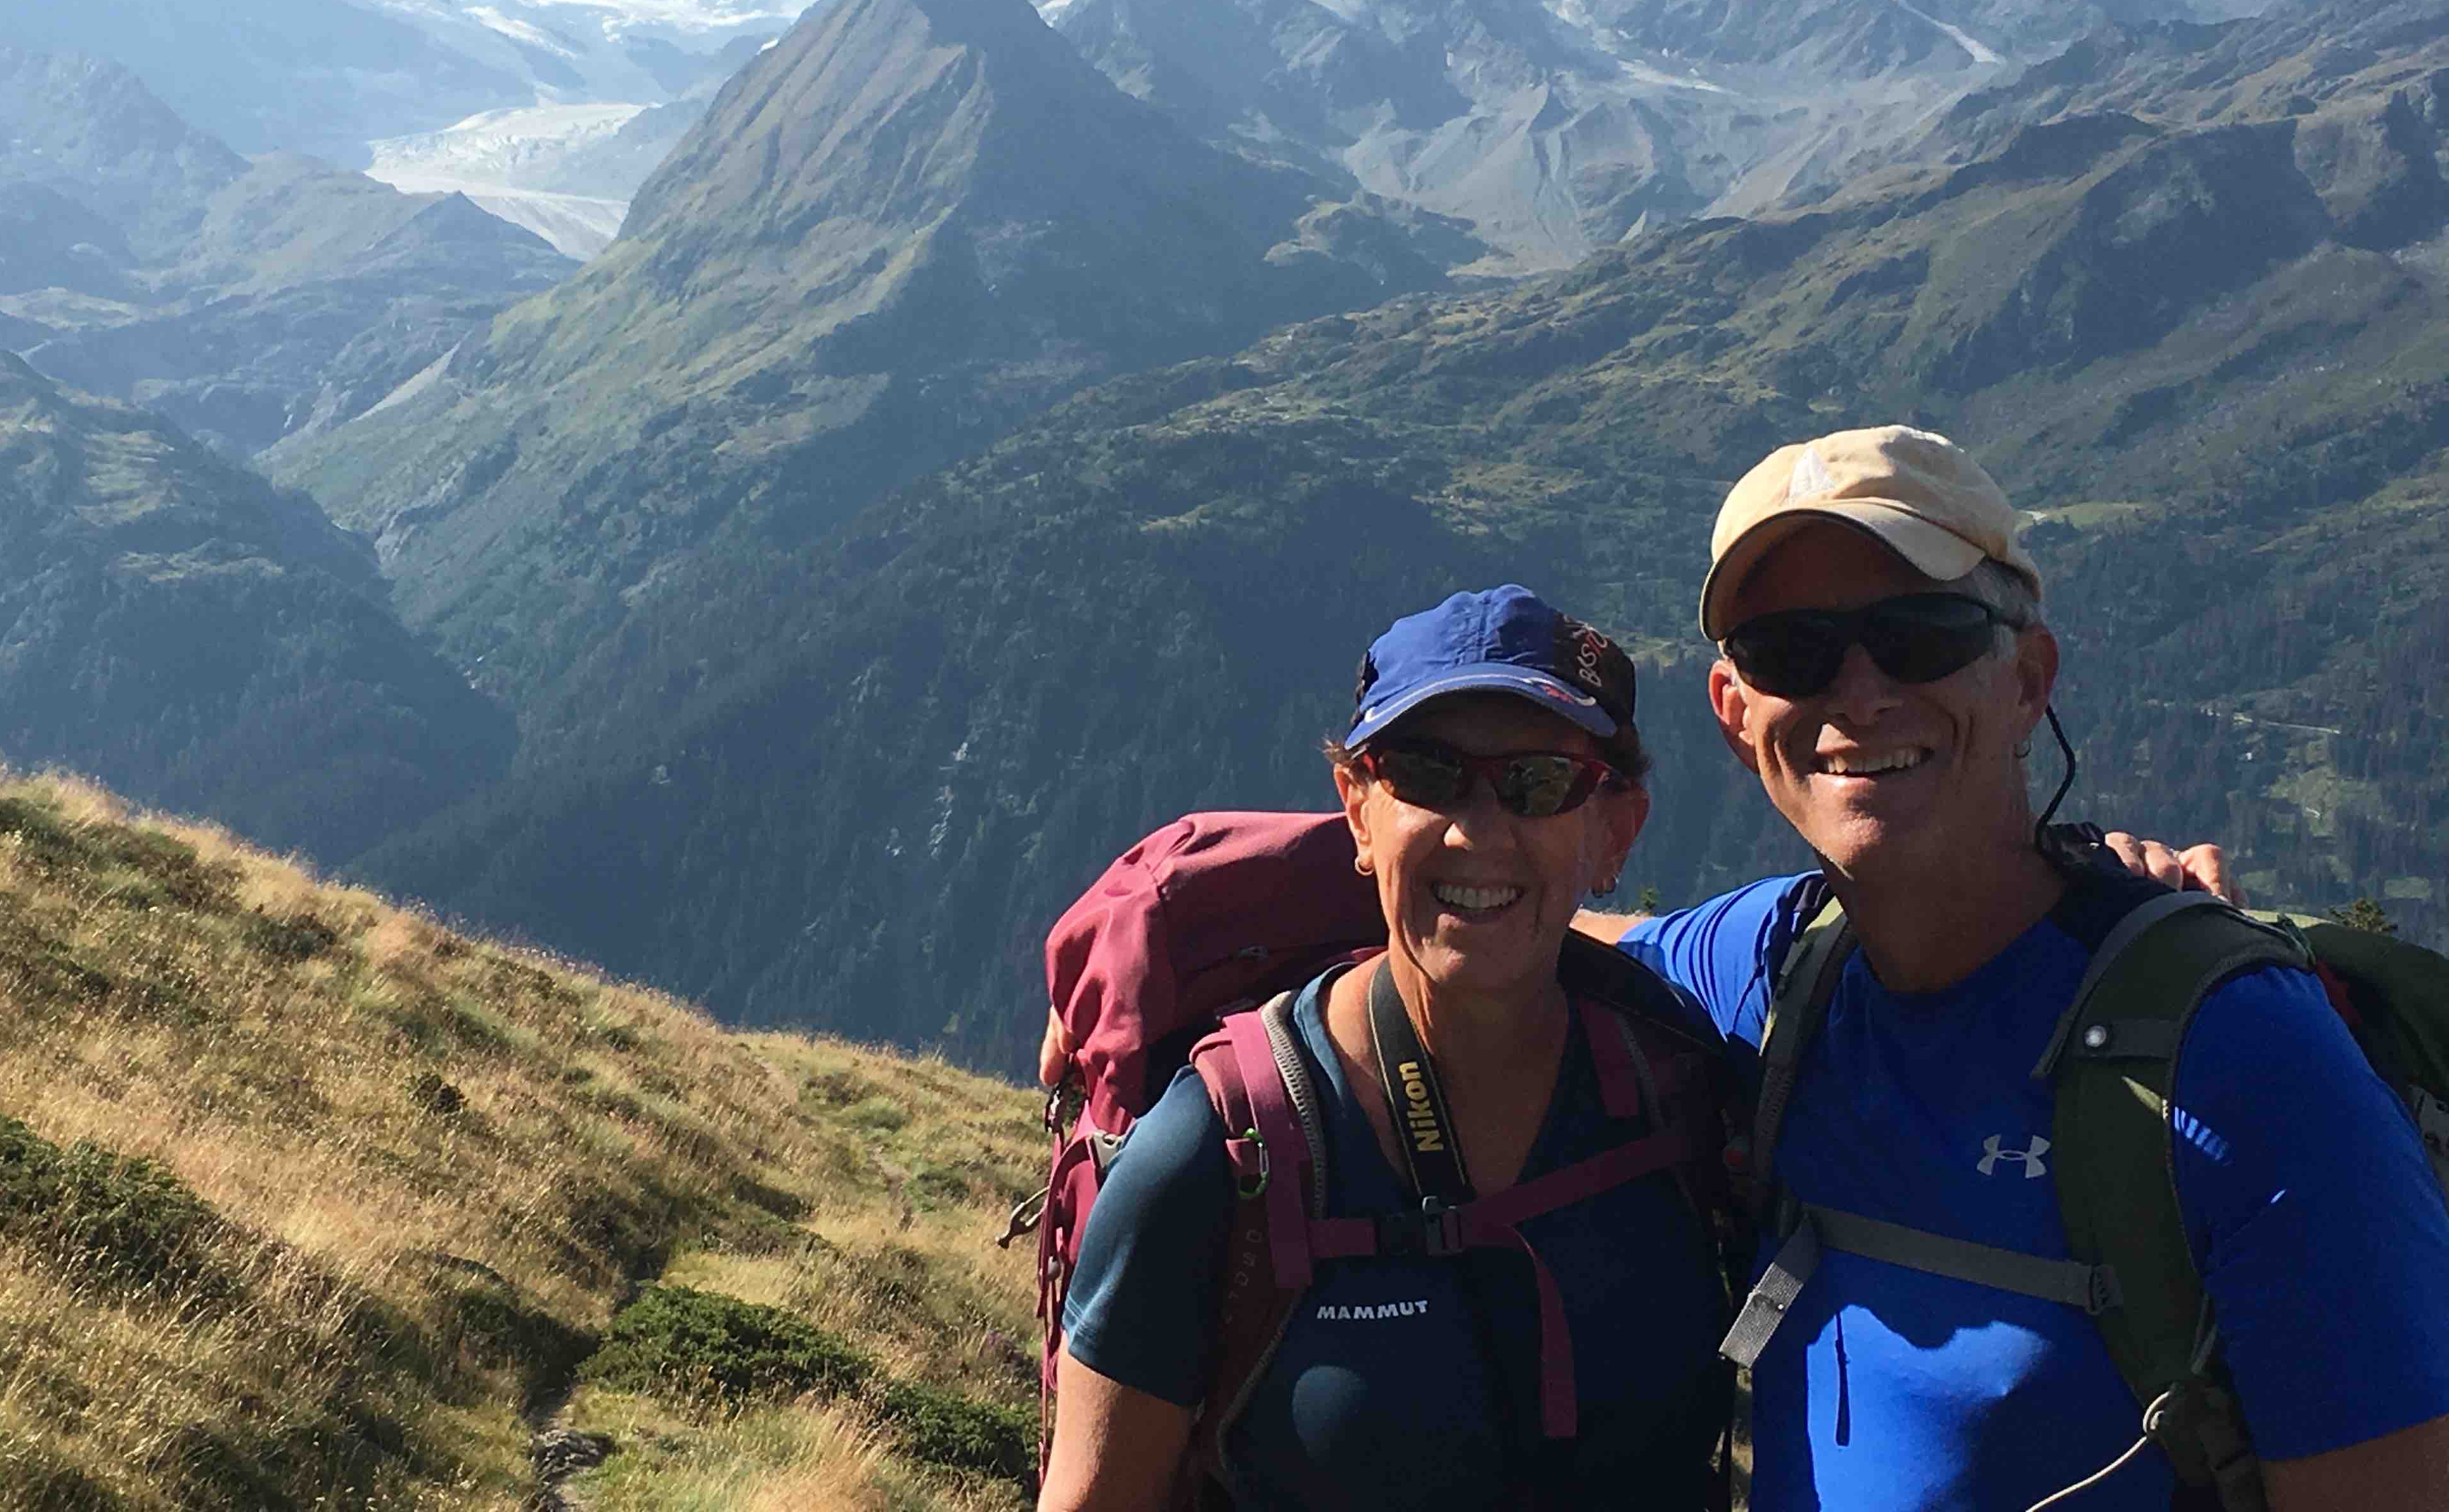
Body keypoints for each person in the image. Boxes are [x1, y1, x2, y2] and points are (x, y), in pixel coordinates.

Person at [1622, 423, 2449, 1510]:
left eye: (1919, 634)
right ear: (1737, 715)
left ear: (2029, 679)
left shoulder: (2240, 1058)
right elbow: (1545, 940)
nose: (1859, 693)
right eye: (1790, 651)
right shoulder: (1774, 966)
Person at [1040, 586, 1730, 1511]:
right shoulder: (1223, 1151)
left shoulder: (1685, 1094)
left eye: (1537, 782)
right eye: (1427, 773)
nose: (1476, 830)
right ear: (1359, 813)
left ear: (1615, 832)